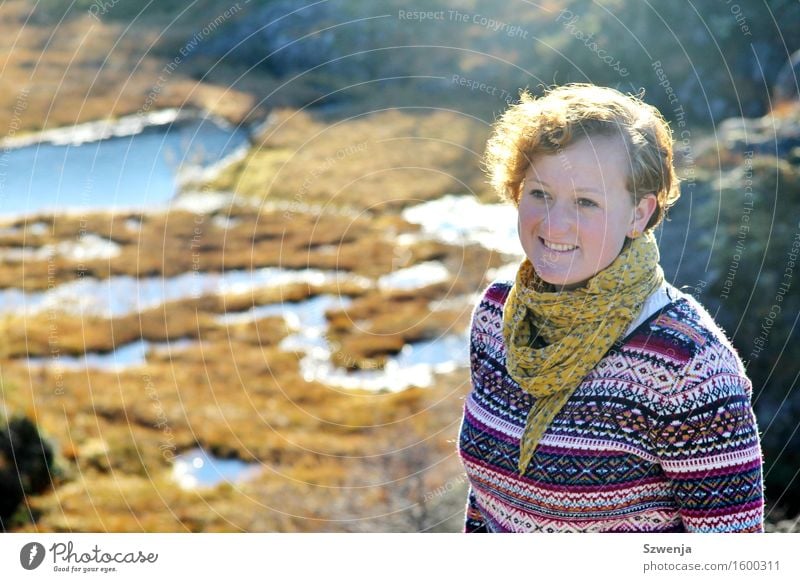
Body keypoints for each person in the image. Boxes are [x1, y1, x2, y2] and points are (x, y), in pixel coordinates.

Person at [457, 83, 764, 533]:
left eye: (586, 201)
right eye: (540, 193)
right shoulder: (498, 314)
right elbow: (487, 504)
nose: (555, 223)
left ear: (639, 213)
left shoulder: (689, 366)